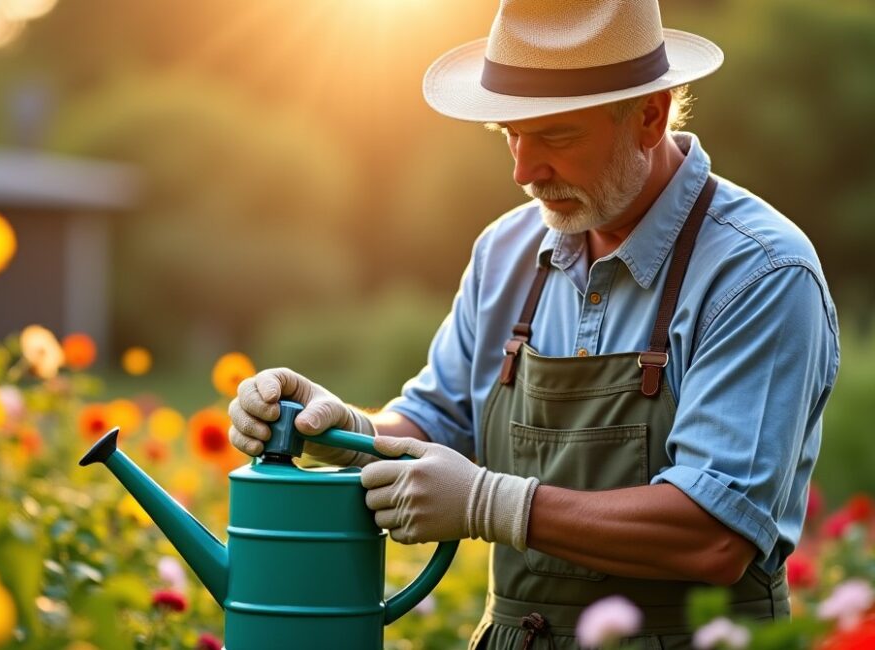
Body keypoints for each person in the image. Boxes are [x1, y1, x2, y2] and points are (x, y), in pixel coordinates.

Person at [228, 1, 839, 647]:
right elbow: (439, 422)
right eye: (508, 134)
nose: (523, 171)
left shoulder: (758, 272)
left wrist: (492, 504)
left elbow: (715, 536)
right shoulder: (507, 249)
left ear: (649, 116)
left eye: (555, 136)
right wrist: (341, 429)